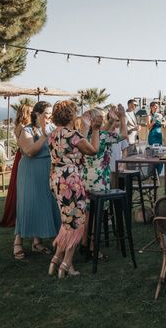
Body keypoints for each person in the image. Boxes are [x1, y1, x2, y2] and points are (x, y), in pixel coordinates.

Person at [47, 100, 101, 278]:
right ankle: (66, 264)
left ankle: (56, 259)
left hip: (56, 178)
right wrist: (97, 129)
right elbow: (93, 150)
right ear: (71, 115)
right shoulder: (72, 135)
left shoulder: (54, 134)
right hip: (71, 180)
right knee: (77, 222)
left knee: (67, 221)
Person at [13, 101, 60, 260]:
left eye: (50, 114)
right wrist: (45, 136)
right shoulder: (26, 130)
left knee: (46, 203)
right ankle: (18, 241)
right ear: (37, 114)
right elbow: (30, 151)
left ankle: (37, 242)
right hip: (30, 171)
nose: (49, 117)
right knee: (28, 204)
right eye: (47, 113)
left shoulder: (52, 128)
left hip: (48, 169)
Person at [0, 103, 32, 228]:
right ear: (26, 113)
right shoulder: (23, 127)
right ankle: (17, 215)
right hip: (22, 155)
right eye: (31, 112)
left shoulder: (19, 126)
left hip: (20, 154)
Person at [81, 105, 127, 193]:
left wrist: (111, 121)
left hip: (85, 178)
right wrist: (122, 117)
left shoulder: (81, 137)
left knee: (88, 205)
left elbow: (99, 131)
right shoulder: (103, 136)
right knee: (100, 206)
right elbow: (124, 135)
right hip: (100, 180)